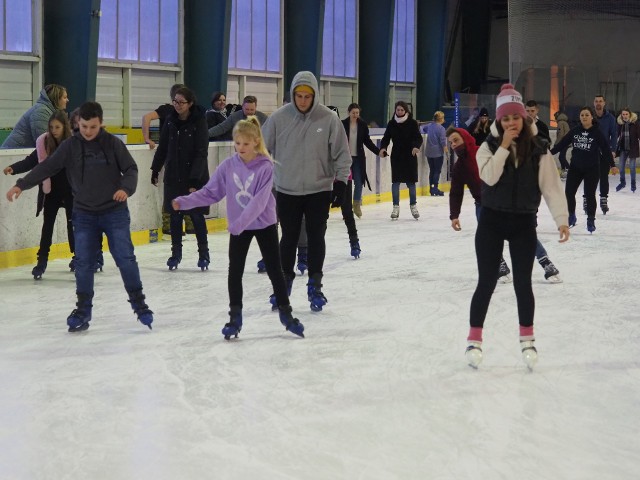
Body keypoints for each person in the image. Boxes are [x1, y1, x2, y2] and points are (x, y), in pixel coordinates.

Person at [5, 101, 154, 332]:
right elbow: (47, 167)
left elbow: (131, 169)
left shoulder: (113, 144)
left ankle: (140, 304)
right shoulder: (70, 146)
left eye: (93, 127)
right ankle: (83, 310)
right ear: (78, 123)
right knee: (83, 263)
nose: (88, 132)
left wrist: (126, 188)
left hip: (114, 211)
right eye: (84, 126)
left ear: (101, 123)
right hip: (84, 213)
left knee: (125, 257)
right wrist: (21, 185)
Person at [172, 117, 304, 339]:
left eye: (245, 143)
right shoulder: (228, 166)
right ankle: (235, 317)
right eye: (237, 143)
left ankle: (286, 313)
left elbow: (259, 202)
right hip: (238, 227)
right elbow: (210, 192)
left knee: (275, 270)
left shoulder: (265, 166)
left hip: (263, 224)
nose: (240, 148)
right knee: (235, 271)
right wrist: (185, 201)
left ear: (255, 142)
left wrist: (238, 224)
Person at [467, 84, 569, 370]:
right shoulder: (486, 147)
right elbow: (488, 178)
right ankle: (474, 339)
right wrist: (502, 147)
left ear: (524, 117)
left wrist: (562, 219)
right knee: (486, 281)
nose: (511, 122)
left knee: (523, 284)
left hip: (524, 222)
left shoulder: (539, 149)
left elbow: (550, 186)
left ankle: (528, 340)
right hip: (491, 222)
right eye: (505, 118)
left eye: (515, 117)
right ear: (499, 120)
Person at [262, 71, 351, 312]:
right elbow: (262, 151)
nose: (302, 101)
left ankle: (315, 284)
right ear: (292, 94)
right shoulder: (279, 118)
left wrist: (340, 183)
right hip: (286, 190)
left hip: (318, 189)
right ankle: (283, 285)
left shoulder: (329, 118)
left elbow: (342, 154)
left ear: (315, 96)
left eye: (307, 96)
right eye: (298, 96)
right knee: (288, 238)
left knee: (315, 237)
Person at [447, 126, 562, 284]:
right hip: (483, 205)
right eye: (451, 142)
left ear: (465, 139)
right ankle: (500, 265)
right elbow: (456, 192)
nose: (453, 144)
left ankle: (546, 263)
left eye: (456, 140)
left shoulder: (484, 151)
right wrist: (454, 215)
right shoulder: (459, 167)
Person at [3, 110, 74, 279]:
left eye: (57, 127)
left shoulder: (73, 145)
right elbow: (32, 161)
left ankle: (79, 256)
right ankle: (42, 261)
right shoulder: (44, 143)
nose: (54, 130)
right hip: (51, 192)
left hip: (72, 192)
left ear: (65, 127)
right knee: (47, 227)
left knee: (74, 226)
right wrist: (14, 168)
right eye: (51, 127)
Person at [151, 86, 210, 270]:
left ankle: (204, 253)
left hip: (194, 176)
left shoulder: (199, 122)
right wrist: (155, 169)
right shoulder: (170, 120)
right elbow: (163, 147)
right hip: (174, 175)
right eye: (175, 101)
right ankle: (176, 254)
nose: (177, 105)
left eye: (181, 102)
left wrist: (194, 181)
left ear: (190, 104)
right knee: (175, 216)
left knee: (196, 216)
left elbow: (201, 153)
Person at [551, 106, 617, 233]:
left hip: (592, 168)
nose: (584, 117)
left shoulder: (597, 132)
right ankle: (571, 215)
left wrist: (613, 165)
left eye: (587, 115)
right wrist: (548, 153)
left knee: (589, 194)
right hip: (575, 167)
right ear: (580, 117)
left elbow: (606, 149)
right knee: (569, 192)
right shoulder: (575, 131)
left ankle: (590, 220)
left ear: (591, 117)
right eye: (582, 115)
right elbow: (562, 144)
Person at [140, 83, 194, 236]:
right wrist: (147, 138)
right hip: (169, 156)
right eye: (177, 100)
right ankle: (168, 222)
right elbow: (146, 117)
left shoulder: (191, 115)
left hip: (184, 158)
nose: (179, 104)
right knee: (171, 191)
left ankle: (189, 222)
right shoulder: (167, 110)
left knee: (188, 189)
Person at [379, 101, 423, 220]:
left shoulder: (412, 123)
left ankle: (413, 206)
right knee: (396, 182)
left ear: (406, 111)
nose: (399, 112)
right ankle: (395, 207)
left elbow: (418, 138)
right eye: (398, 110)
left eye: (402, 110)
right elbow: (386, 138)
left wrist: (415, 146)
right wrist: (383, 148)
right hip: (397, 156)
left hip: (410, 155)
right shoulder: (392, 123)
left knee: (411, 182)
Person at [341, 103, 380, 217]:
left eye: (357, 113)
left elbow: (367, 141)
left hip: (358, 159)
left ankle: (356, 204)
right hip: (346, 159)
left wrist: (378, 151)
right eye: (353, 113)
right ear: (349, 113)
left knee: (359, 182)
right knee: (346, 184)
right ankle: (346, 207)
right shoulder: (342, 124)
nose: (355, 115)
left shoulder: (362, 125)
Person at [1, 84, 69, 149]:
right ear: (56, 99)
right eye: (65, 97)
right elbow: (44, 141)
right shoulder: (41, 111)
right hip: (13, 154)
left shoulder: (48, 111)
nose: (67, 100)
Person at [593, 94, 618, 214]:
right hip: (590, 152)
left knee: (603, 177)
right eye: (596, 101)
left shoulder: (610, 118)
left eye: (600, 101)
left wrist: (613, 150)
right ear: (594, 103)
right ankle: (587, 198)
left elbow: (614, 135)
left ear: (604, 103)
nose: (598, 103)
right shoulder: (589, 116)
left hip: (604, 152)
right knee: (590, 176)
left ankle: (603, 199)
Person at [424, 111, 448, 196]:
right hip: (437, 153)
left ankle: (432, 188)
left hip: (429, 152)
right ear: (440, 119)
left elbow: (422, 129)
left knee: (432, 170)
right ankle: (435, 189)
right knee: (437, 171)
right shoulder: (441, 129)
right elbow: (443, 142)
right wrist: (447, 152)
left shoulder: (429, 126)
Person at [615, 108, 639, 192]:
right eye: (623, 114)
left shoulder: (635, 124)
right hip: (623, 148)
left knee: (632, 167)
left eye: (626, 114)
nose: (625, 116)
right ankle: (622, 183)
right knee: (621, 167)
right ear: (621, 115)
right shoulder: (620, 124)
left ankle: (633, 184)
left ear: (630, 115)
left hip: (632, 148)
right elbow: (616, 136)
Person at [553, 111, 571, 177]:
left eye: (555, 117)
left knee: (561, 157)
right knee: (561, 157)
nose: (555, 119)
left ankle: (569, 170)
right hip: (566, 142)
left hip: (564, 143)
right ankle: (564, 170)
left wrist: (556, 144)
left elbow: (560, 134)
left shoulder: (560, 123)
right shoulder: (565, 122)